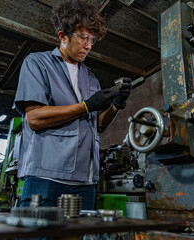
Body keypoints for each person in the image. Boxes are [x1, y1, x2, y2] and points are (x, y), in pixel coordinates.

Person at [14, 0, 132, 210]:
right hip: (47, 177)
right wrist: (86, 106)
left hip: (85, 182)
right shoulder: (38, 63)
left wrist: (116, 104)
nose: (88, 45)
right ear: (62, 36)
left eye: (92, 39)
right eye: (83, 37)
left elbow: (99, 126)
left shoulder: (91, 78)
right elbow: (34, 118)